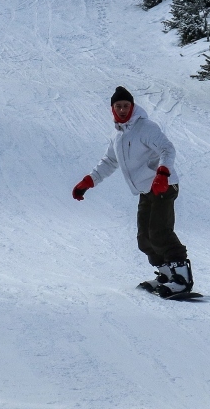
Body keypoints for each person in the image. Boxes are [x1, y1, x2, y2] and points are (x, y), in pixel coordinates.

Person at [71, 86, 194, 297]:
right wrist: (88, 181)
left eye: (126, 105)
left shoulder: (145, 127)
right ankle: (166, 274)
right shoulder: (117, 135)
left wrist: (162, 174)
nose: (122, 109)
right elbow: (109, 161)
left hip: (164, 185)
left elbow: (167, 149)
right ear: (112, 109)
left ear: (132, 106)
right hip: (147, 190)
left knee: (159, 232)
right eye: (118, 106)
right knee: (144, 238)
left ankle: (182, 278)